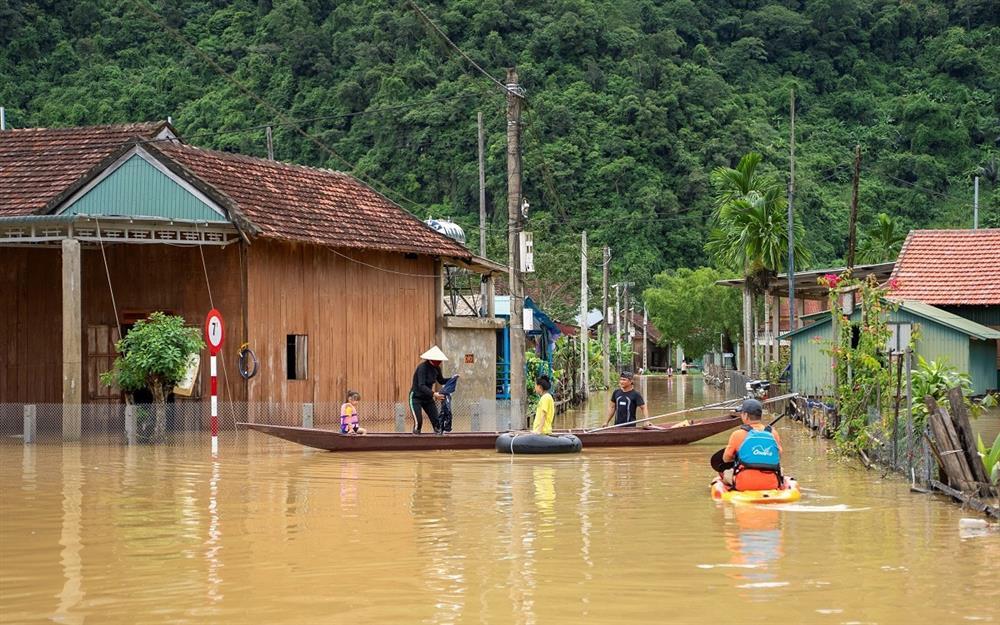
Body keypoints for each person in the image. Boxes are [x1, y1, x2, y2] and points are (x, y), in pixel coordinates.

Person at [720, 398, 783, 491]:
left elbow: (726, 459)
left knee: (726, 473)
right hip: (771, 484)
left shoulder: (737, 434)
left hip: (744, 484)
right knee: (781, 469)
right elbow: (779, 456)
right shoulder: (773, 433)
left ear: (745, 415)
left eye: (741, 413)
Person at [410, 345, 449, 435]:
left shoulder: (437, 368)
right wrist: (434, 394)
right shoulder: (422, 368)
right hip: (416, 397)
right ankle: (416, 440)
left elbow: (441, 380)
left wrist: (452, 379)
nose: (439, 362)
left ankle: (438, 440)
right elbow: (421, 386)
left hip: (428, 399)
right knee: (418, 423)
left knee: (437, 423)